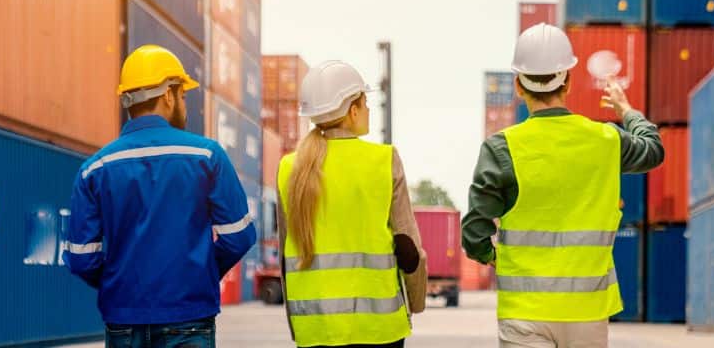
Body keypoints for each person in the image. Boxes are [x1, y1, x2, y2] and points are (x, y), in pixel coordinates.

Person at [462, 24, 664, 348]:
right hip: (587, 313)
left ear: (518, 85)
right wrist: (626, 111)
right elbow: (653, 150)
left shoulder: (502, 148)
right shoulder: (605, 140)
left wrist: (494, 257)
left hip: (524, 312)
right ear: (567, 81)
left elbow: (473, 233)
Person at [64, 45, 257, 348]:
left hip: (124, 322)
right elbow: (240, 237)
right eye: (182, 95)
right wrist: (199, 273)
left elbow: (81, 259)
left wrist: (123, 284)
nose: (184, 104)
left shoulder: (94, 169)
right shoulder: (207, 156)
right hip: (189, 318)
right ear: (168, 95)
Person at [277, 61, 428, 348]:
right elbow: (409, 247)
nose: (369, 109)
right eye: (365, 101)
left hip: (316, 327)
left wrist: (297, 324)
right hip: (379, 327)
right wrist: (416, 303)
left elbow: (287, 256)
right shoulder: (383, 160)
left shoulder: (289, 168)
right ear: (352, 110)